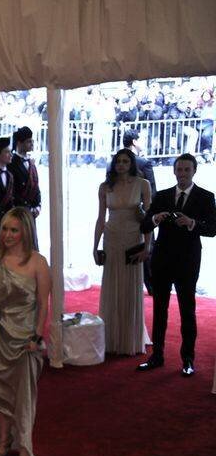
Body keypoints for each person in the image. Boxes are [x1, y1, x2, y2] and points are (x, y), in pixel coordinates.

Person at [0, 208, 50, 456]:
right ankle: (4, 441)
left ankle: (25, 444)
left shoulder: (38, 262)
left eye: (14, 229)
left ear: (26, 231)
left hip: (25, 337)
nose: (7, 234)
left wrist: (37, 336)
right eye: (5, 228)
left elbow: (42, 303)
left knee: (24, 393)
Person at [137, 153, 216, 376]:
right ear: (174, 171)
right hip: (162, 259)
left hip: (188, 261)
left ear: (194, 171)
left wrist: (192, 223)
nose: (182, 174)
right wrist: (155, 218)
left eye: (186, 170)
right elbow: (144, 225)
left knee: (187, 310)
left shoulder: (205, 196)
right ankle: (157, 356)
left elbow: (212, 229)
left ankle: (188, 359)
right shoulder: (162, 196)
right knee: (159, 310)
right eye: (179, 170)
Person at [93, 149, 152, 356]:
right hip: (111, 238)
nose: (121, 165)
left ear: (132, 163)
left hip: (133, 238)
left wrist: (148, 246)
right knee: (112, 285)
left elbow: (149, 220)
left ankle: (129, 338)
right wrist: (95, 246)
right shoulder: (105, 187)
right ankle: (111, 338)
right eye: (118, 161)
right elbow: (100, 218)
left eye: (126, 161)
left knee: (130, 286)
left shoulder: (143, 184)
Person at [10, 127, 41, 216]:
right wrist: (27, 208)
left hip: (32, 211)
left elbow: (36, 186)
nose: (32, 144)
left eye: (32, 141)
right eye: (28, 141)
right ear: (19, 143)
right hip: (19, 211)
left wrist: (37, 206)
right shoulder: (11, 163)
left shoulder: (31, 162)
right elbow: (13, 191)